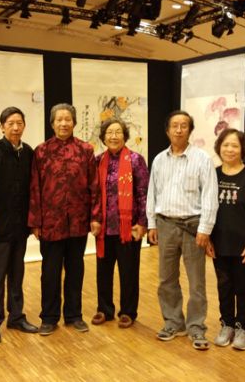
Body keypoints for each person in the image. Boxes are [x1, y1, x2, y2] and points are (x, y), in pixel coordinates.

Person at [146, 110, 218, 350]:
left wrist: (205, 228)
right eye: (174, 126)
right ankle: (173, 322)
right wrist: (152, 223)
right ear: (167, 130)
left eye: (184, 126)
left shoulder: (202, 159)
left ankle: (196, 326)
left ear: (190, 130)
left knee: (196, 281)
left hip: (193, 226)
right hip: (165, 224)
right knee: (166, 279)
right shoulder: (159, 160)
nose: (179, 130)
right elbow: (152, 193)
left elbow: (210, 196)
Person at [28, 103, 101, 336]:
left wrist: (95, 216)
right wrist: (35, 222)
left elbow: (94, 186)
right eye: (59, 119)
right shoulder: (41, 151)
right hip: (51, 223)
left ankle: (74, 315)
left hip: (78, 222)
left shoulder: (85, 150)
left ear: (74, 122)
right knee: (50, 272)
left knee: (75, 270)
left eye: (67, 119)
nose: (63, 123)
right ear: (52, 123)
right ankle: (49, 318)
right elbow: (35, 188)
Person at [0, 107, 38, 344]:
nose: (15, 127)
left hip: (19, 227)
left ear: (24, 126)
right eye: (10, 123)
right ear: (2, 126)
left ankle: (16, 316)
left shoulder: (28, 153)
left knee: (17, 273)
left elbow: (33, 190)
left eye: (19, 123)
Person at [210, 128, 245, 351]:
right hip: (219, 244)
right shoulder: (213, 175)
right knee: (224, 287)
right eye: (225, 145)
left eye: (234, 145)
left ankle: (243, 328)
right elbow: (205, 209)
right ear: (219, 148)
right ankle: (227, 325)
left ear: (243, 149)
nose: (229, 149)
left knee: (243, 289)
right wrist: (207, 239)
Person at [91, 117, 149, 329]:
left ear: (125, 136)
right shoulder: (98, 161)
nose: (113, 136)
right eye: (109, 132)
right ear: (103, 137)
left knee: (129, 272)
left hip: (128, 227)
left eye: (118, 132)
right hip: (105, 228)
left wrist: (142, 222)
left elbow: (143, 193)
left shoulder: (135, 160)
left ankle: (128, 311)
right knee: (103, 272)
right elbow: (94, 194)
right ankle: (104, 309)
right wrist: (94, 218)